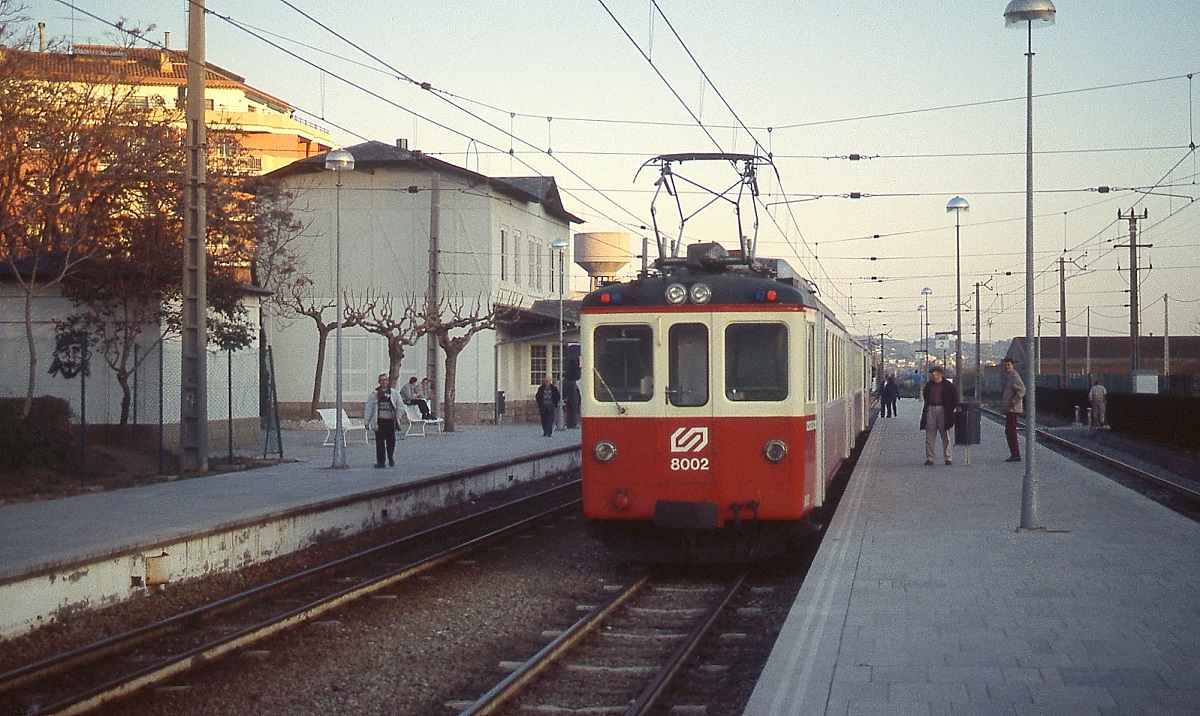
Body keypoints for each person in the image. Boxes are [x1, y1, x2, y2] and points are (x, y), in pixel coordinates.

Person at [919, 366, 958, 465]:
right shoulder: (929, 386)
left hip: (943, 410)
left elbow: (954, 399)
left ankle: (948, 457)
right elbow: (925, 397)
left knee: (945, 435)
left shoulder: (948, 386)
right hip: (931, 409)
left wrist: (950, 410)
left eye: (934, 374)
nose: (932, 376)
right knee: (930, 435)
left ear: (940, 374)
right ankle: (930, 458)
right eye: (931, 374)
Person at [364, 373, 400, 468]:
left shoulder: (394, 393)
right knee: (379, 443)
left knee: (391, 441)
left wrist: (397, 417)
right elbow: (369, 408)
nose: (384, 382)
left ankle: (390, 458)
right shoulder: (374, 394)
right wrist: (366, 422)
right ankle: (381, 462)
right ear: (379, 382)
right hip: (379, 421)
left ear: (388, 381)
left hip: (390, 421)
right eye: (382, 380)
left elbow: (401, 406)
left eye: (385, 380)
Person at [999, 357, 1026, 462]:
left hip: (1013, 409)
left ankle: (1016, 454)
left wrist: (1013, 401)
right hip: (1009, 409)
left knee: (1011, 432)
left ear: (1013, 365)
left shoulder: (1014, 376)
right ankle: (1014, 453)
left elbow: (1022, 390)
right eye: (1005, 365)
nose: (1006, 367)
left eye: (1008, 365)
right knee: (1009, 431)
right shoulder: (1008, 376)